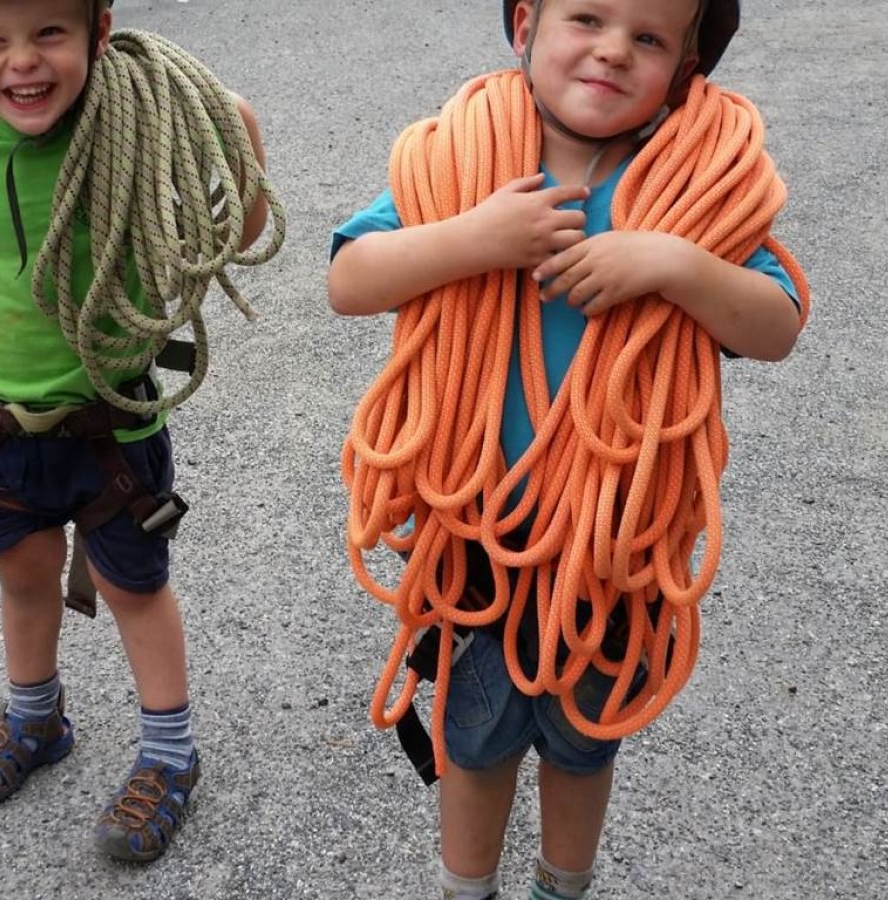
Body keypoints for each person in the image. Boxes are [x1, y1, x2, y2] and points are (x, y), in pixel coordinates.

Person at [328, 1, 805, 897]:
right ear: (524, 24)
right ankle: (465, 887)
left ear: (688, 62)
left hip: (609, 548)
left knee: (585, 745)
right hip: (473, 534)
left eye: (652, 38)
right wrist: (476, 239)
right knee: (472, 740)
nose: (614, 50)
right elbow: (350, 280)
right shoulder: (467, 159)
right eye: (587, 15)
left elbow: (776, 326)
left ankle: (562, 886)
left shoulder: (692, 191)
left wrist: (673, 263)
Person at [0, 0, 269, 863]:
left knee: (134, 586)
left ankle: (170, 753)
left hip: (113, 422)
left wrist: (232, 124)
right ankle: (36, 717)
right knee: (22, 575)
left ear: (100, 30)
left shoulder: (137, 118)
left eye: (50, 32)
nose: (24, 61)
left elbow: (240, 233)